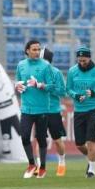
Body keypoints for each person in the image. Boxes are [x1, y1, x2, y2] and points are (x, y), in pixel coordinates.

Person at [66, 45, 95, 178]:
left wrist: (94, 93)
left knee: (90, 140)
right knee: (80, 144)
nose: (81, 63)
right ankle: (93, 157)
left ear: (89, 58)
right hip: (79, 110)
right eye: (79, 60)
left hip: (93, 109)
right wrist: (75, 95)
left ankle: (91, 170)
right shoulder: (72, 71)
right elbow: (68, 89)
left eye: (84, 61)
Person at [15, 40, 55, 179]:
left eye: (38, 49)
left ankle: (43, 167)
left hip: (42, 108)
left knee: (41, 139)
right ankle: (32, 164)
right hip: (26, 108)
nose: (37, 52)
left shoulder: (45, 66)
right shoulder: (21, 65)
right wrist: (18, 86)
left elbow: (51, 86)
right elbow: (18, 81)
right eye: (34, 49)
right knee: (25, 136)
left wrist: (39, 85)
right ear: (27, 51)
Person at [41, 47, 68, 177]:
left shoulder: (56, 73)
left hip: (53, 110)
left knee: (57, 140)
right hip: (38, 109)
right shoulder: (34, 72)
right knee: (40, 139)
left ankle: (62, 162)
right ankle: (41, 166)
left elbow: (62, 91)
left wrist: (47, 88)